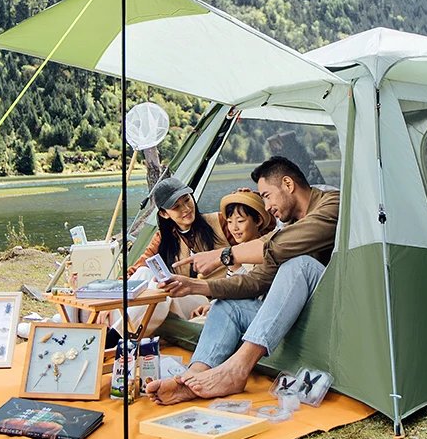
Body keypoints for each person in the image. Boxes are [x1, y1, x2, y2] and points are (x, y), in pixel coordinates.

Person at [146, 156, 340, 405]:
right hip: (287, 313)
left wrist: (222, 255)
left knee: (299, 264)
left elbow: (280, 247)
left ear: (288, 184)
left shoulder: (331, 204)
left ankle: (238, 369)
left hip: (322, 314)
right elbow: (256, 281)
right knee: (225, 306)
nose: (267, 206)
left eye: (267, 195)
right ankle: (193, 378)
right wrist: (198, 286)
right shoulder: (286, 225)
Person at [112, 176, 229, 339]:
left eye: (187, 200)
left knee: (160, 293)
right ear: (164, 214)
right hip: (182, 297)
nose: (186, 209)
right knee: (146, 273)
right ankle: (110, 329)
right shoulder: (163, 238)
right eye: (177, 207)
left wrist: (247, 199)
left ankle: (114, 338)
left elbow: (259, 230)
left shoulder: (220, 222)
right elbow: (138, 270)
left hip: (211, 299)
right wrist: (111, 295)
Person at [189, 191, 275, 321]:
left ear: (258, 221)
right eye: (229, 222)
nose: (234, 228)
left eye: (240, 221)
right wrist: (212, 304)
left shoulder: (265, 250)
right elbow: (230, 288)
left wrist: (236, 267)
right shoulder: (234, 252)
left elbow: (256, 292)